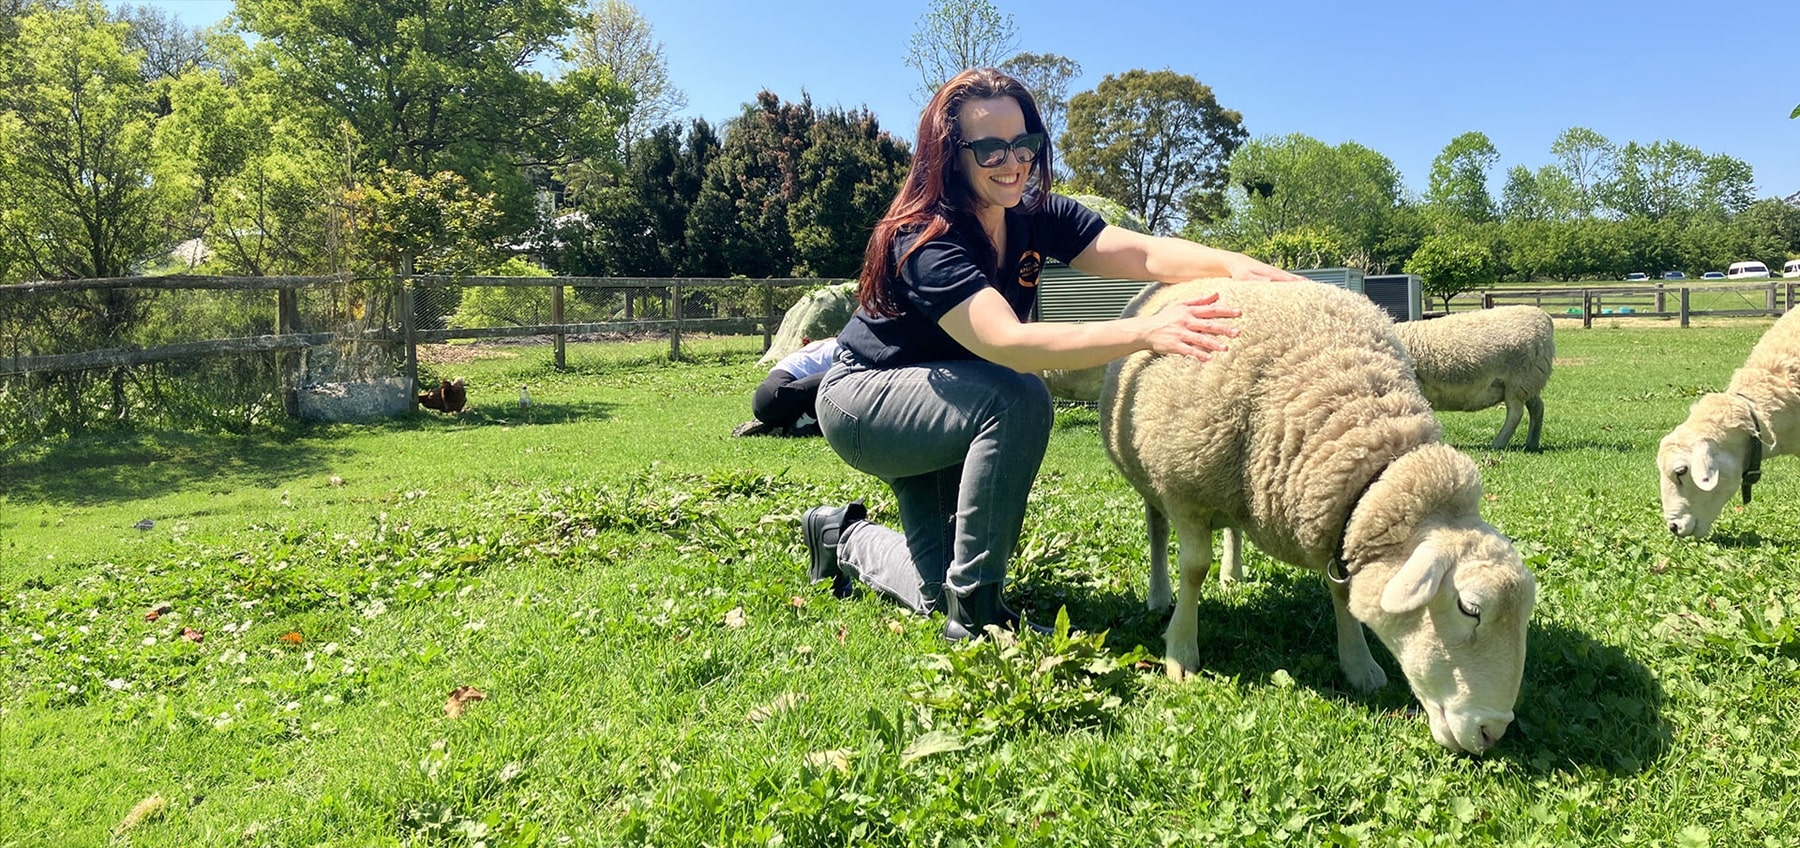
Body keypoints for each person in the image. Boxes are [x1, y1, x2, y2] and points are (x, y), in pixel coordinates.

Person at [800, 67, 1308, 641]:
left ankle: (840, 537)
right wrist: (1146, 331)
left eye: (1024, 144)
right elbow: (1007, 344)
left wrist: (1230, 263)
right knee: (1017, 395)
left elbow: (1140, 255)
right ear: (949, 155)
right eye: (990, 149)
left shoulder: (1035, 213)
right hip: (865, 402)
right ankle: (977, 612)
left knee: (930, 587)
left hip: (948, 397)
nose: (1013, 161)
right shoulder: (925, 237)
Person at [733, 336, 839, 437]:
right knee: (840, 375)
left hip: (765, 395)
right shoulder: (843, 348)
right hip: (777, 394)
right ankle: (802, 425)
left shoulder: (827, 344)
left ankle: (778, 423)